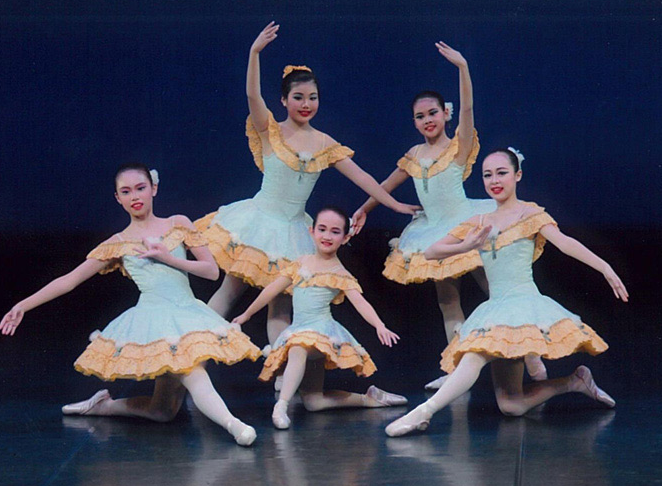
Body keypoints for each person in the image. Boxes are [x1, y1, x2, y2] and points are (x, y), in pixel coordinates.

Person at [195, 22, 419, 365]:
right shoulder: (270, 130)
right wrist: (254, 53)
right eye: (298, 97)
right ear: (284, 100)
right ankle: (194, 358)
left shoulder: (324, 143)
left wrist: (394, 204)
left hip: (296, 232)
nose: (306, 104)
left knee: (281, 308)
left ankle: (280, 374)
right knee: (228, 292)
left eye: (312, 98)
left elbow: (363, 178)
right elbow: (253, 96)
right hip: (258, 224)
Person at [0, 164, 262, 446]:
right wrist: (23, 305)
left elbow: (211, 272)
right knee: (193, 373)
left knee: (163, 412)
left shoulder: (178, 224)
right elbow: (69, 280)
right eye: (126, 192)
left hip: (188, 313)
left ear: (153, 189)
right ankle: (235, 426)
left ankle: (104, 406)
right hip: (154, 320)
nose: (134, 196)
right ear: (118, 198)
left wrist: (167, 258)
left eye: (140, 188)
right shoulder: (118, 243)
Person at [384, 148, 628, 437]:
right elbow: (431, 251)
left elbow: (564, 243)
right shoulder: (479, 221)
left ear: (517, 175)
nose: (494, 180)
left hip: (523, 304)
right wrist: (465, 246)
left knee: (474, 356)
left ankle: (423, 413)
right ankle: (575, 382)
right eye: (487, 175)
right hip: (496, 307)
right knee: (511, 405)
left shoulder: (530, 214)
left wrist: (605, 267)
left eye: (501, 173)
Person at [350, 42, 530, 390]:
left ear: (445, 114)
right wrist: (365, 208)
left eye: (433, 113)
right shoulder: (414, 155)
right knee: (448, 301)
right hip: (433, 233)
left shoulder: (458, 147)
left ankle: (528, 351)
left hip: (468, 224)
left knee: (495, 288)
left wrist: (463, 68)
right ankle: (455, 369)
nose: (427, 120)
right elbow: (386, 184)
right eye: (420, 116)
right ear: (415, 122)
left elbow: (469, 108)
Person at [232, 207, 407, 429]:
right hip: (299, 328)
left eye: (335, 232)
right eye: (322, 229)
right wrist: (246, 314)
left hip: (322, 331)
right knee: (314, 402)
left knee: (298, 348)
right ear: (312, 231)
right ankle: (369, 399)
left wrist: (379, 325)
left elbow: (361, 303)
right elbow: (271, 290)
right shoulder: (300, 263)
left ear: (345, 238)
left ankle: (281, 406)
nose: (327, 236)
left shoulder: (340, 273)